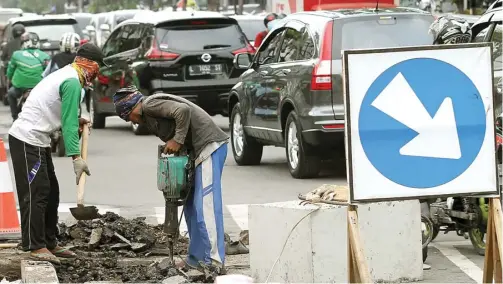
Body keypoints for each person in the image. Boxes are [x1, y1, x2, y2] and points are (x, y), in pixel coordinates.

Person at [112, 85, 229, 274]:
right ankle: (196, 259)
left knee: (205, 207)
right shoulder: (149, 116)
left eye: (128, 117)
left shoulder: (149, 104)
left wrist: (178, 140)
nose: (131, 121)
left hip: (209, 146)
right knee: (191, 208)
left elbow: (183, 111)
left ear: (132, 108)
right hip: (196, 154)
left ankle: (215, 262)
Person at [8, 43, 104, 264]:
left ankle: (49, 242)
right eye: (97, 67)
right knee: (37, 192)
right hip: (26, 139)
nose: (97, 73)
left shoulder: (70, 76)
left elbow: (64, 116)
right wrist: (76, 158)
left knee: (51, 191)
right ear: (87, 63)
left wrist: (74, 121)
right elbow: (69, 124)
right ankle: (35, 246)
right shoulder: (71, 81)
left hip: (38, 140)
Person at [7, 32, 50, 121]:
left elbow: (10, 71)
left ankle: (15, 117)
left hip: (20, 88)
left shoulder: (16, 54)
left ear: (25, 43)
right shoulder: (45, 56)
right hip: (39, 88)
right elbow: (48, 73)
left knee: (10, 94)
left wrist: (9, 79)